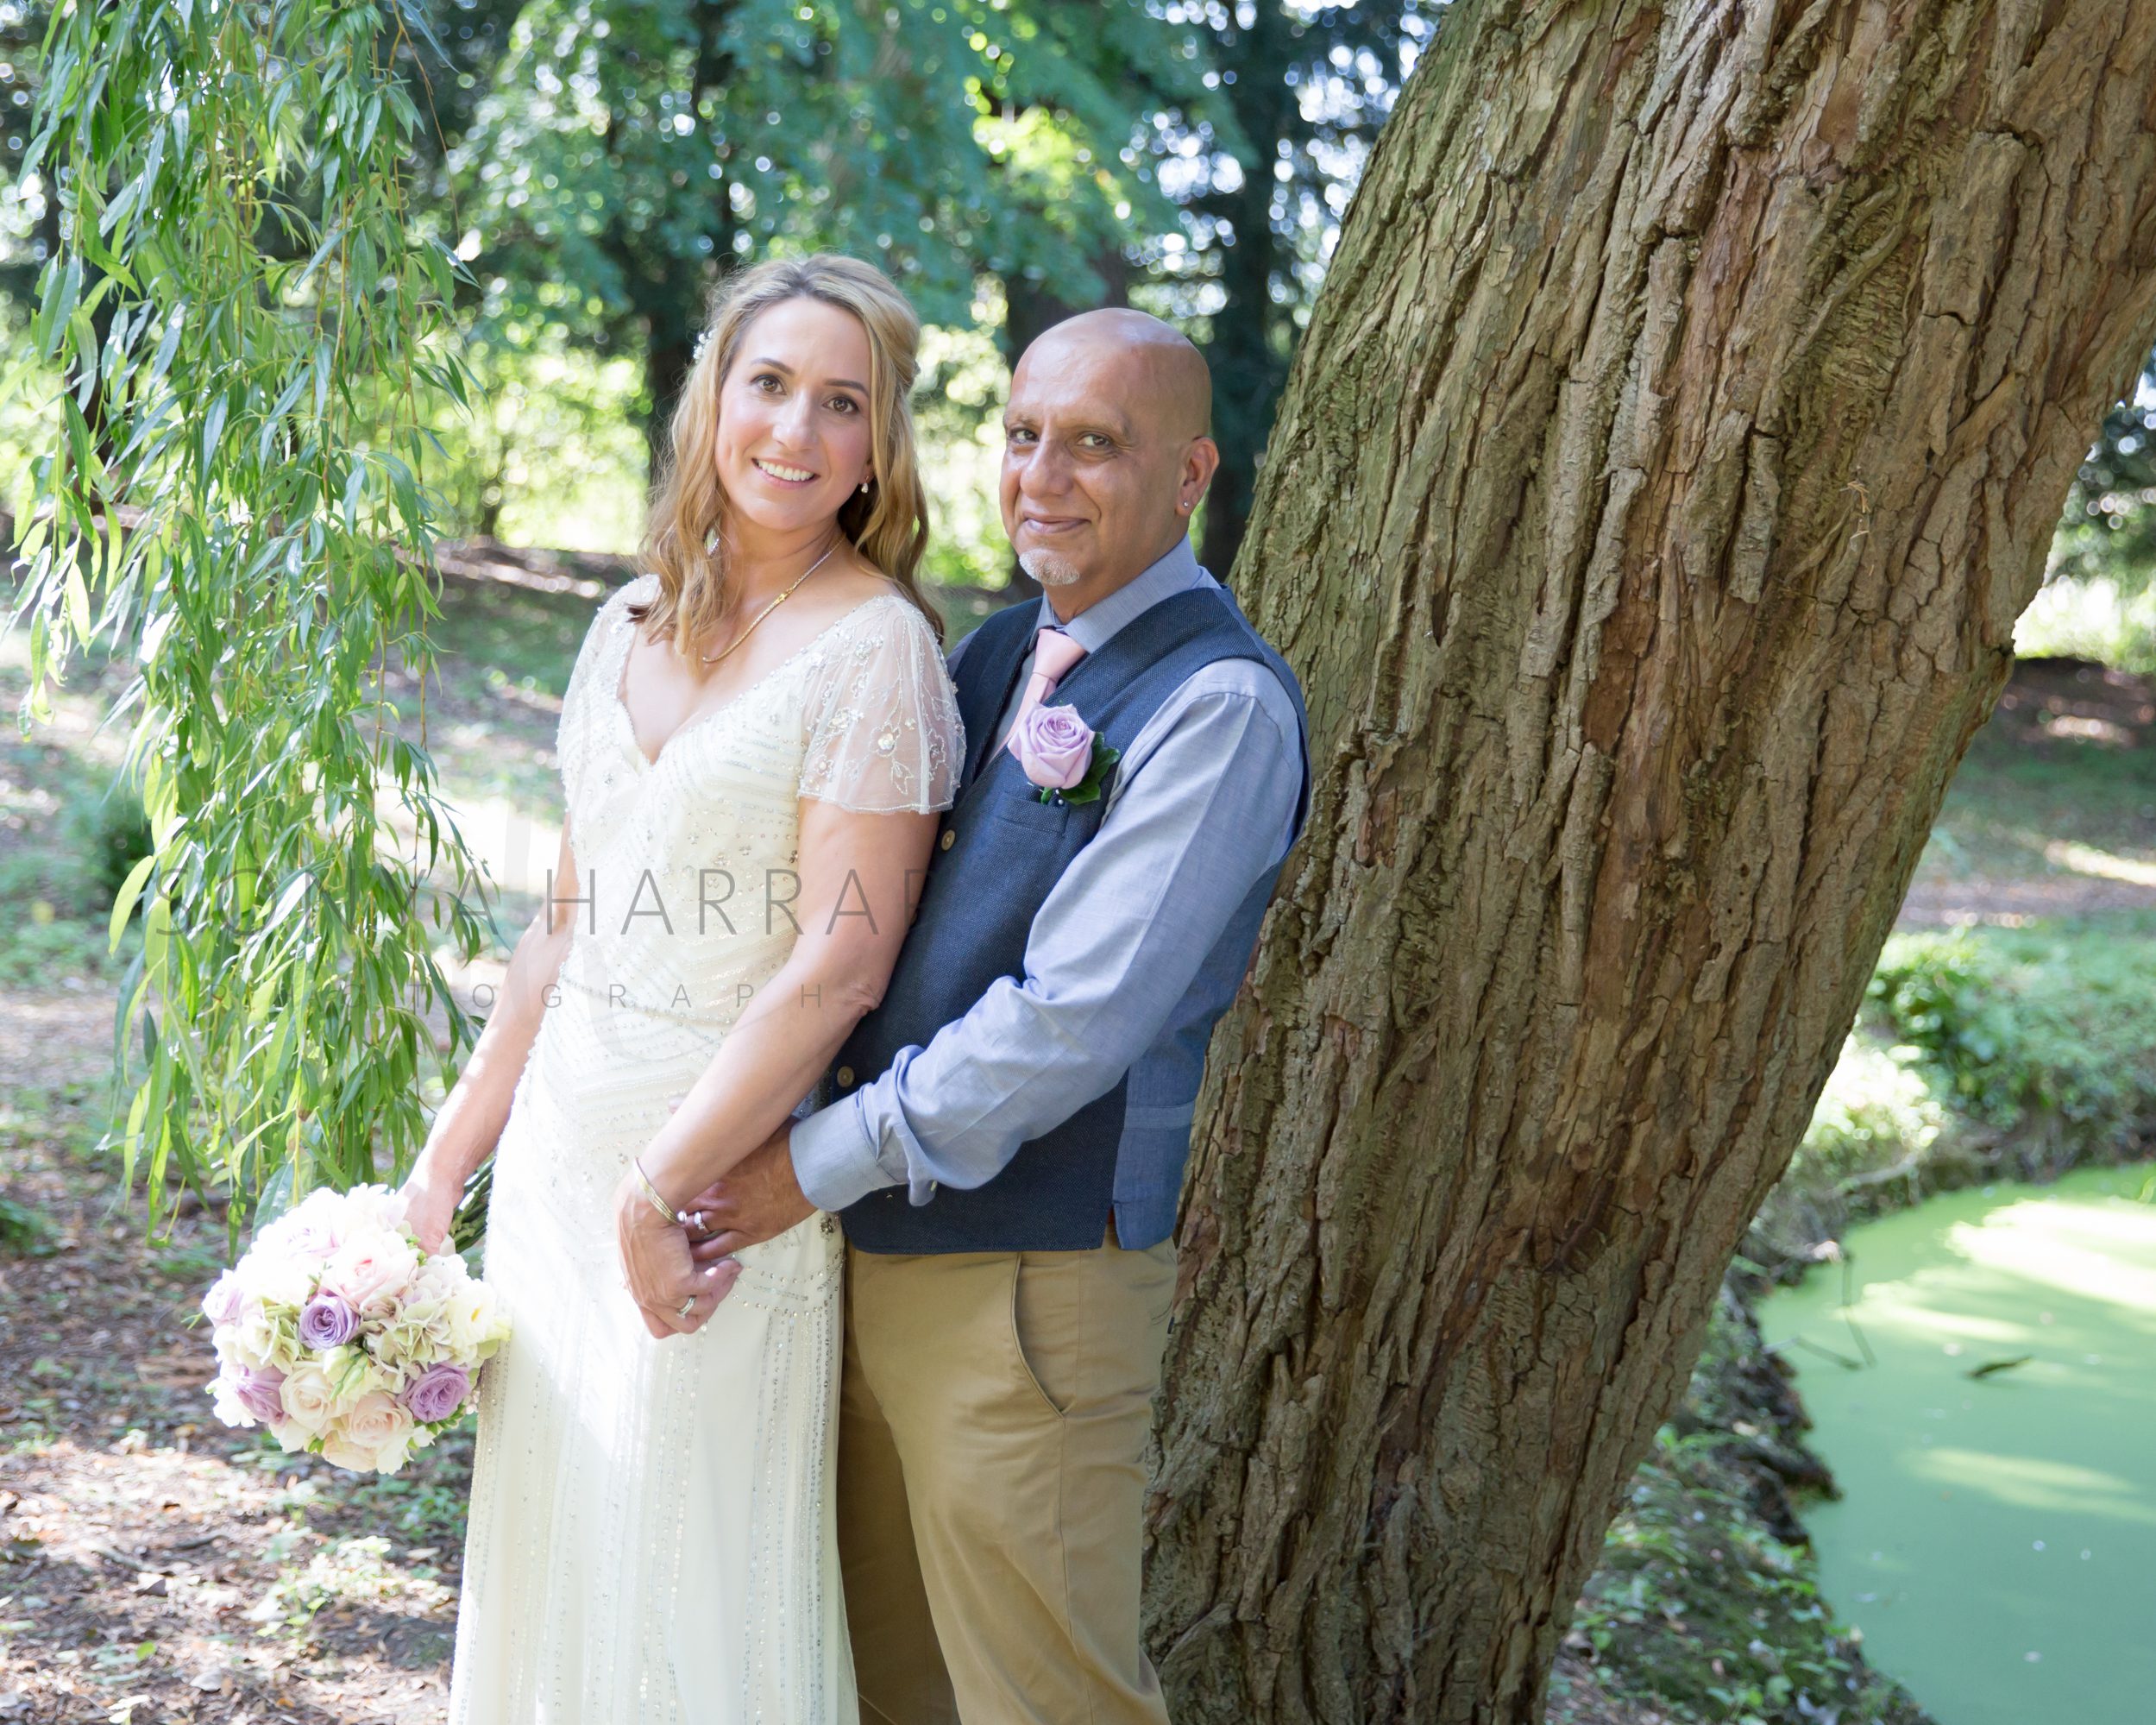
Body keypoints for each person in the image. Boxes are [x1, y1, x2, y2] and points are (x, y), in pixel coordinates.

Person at [641, 307, 1312, 1725]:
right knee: (889, 1688)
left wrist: (798, 1169)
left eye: (1094, 446)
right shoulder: (1001, 655)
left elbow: (1069, 1022)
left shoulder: (1221, 704)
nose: (1044, 477)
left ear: (1190, 477)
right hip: (866, 1261)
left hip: (1033, 1290)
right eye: (1022, 438)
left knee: (1044, 1703)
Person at [399, 253, 965, 1722]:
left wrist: (660, 1191)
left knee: (688, 1576)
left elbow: (841, 964)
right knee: (558, 1559)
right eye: (767, 384)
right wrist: (443, 1171)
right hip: (559, 1172)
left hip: (712, 1187)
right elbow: (559, 928)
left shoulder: (880, 654)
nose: (794, 429)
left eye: (842, 404)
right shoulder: (623, 621)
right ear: (711, 399)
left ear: (878, 451)